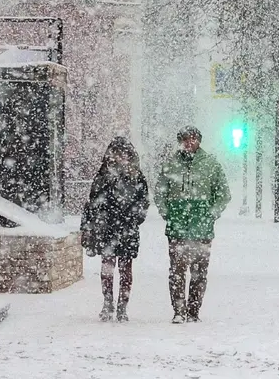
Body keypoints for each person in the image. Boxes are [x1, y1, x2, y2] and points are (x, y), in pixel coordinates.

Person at [154, 125, 231, 324]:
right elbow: (160, 192)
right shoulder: (171, 164)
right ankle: (178, 310)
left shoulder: (211, 164)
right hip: (177, 227)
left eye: (193, 139)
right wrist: (167, 213)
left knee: (199, 271)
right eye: (186, 139)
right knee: (177, 271)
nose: (190, 143)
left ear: (199, 140)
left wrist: (211, 214)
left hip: (202, 228)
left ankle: (194, 310)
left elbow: (223, 194)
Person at [81, 137, 149, 322]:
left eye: (123, 153)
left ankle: (122, 306)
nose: (120, 157)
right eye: (117, 153)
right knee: (108, 268)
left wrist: (134, 219)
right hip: (107, 228)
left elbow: (143, 201)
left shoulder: (136, 176)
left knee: (125, 269)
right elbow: (93, 202)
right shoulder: (103, 176)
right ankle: (108, 302)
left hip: (127, 229)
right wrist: (92, 224)